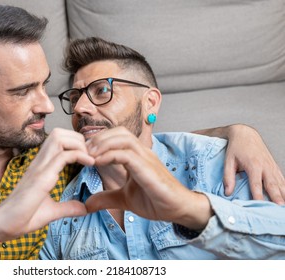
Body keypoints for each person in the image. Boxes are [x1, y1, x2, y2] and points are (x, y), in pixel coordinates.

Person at [0, 3, 283, 260]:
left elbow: (139, 141)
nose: (50, 106)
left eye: (45, 85)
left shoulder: (62, 158)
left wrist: (237, 131)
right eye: (23, 91)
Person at [39, 37, 285, 260]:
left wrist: (189, 208)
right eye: (74, 98)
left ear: (150, 103)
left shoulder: (213, 163)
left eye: (102, 90)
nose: (80, 107)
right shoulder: (63, 210)